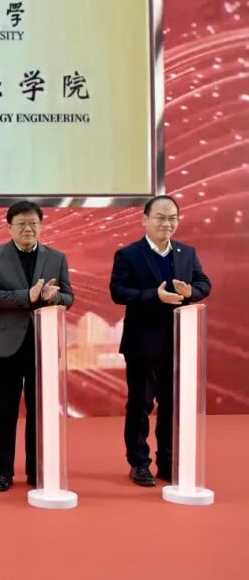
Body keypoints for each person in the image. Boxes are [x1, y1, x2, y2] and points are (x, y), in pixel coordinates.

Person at [110, 194, 210, 487]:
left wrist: (191, 292)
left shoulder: (186, 252)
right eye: (160, 218)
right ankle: (139, 463)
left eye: (172, 218)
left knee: (172, 405)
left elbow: (204, 284)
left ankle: (168, 462)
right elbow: (118, 291)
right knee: (140, 405)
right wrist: (154, 295)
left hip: (179, 343)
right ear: (145, 220)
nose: (167, 224)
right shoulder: (128, 254)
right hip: (142, 343)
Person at [0, 200, 73, 492]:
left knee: (40, 411)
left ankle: (37, 471)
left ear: (41, 226)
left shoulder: (56, 257)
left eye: (33, 223)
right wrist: (28, 296)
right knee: (4, 412)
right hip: (5, 346)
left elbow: (69, 297)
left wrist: (53, 297)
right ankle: (3, 472)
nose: (28, 229)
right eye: (21, 224)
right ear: (9, 227)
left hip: (42, 345)